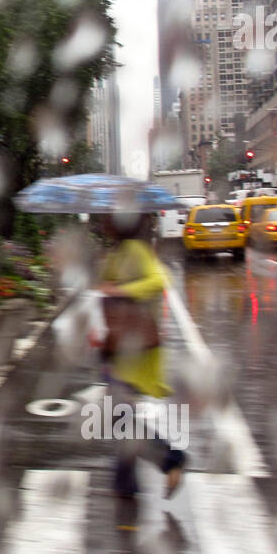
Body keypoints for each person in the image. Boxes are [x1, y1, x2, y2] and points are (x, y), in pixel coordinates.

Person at [95, 212, 184, 501]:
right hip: (116, 346)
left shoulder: (135, 249)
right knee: (119, 415)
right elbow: (104, 286)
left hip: (135, 348)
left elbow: (160, 280)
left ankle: (169, 461)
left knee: (119, 415)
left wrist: (119, 290)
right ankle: (126, 482)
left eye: (106, 219)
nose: (101, 223)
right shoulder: (116, 252)